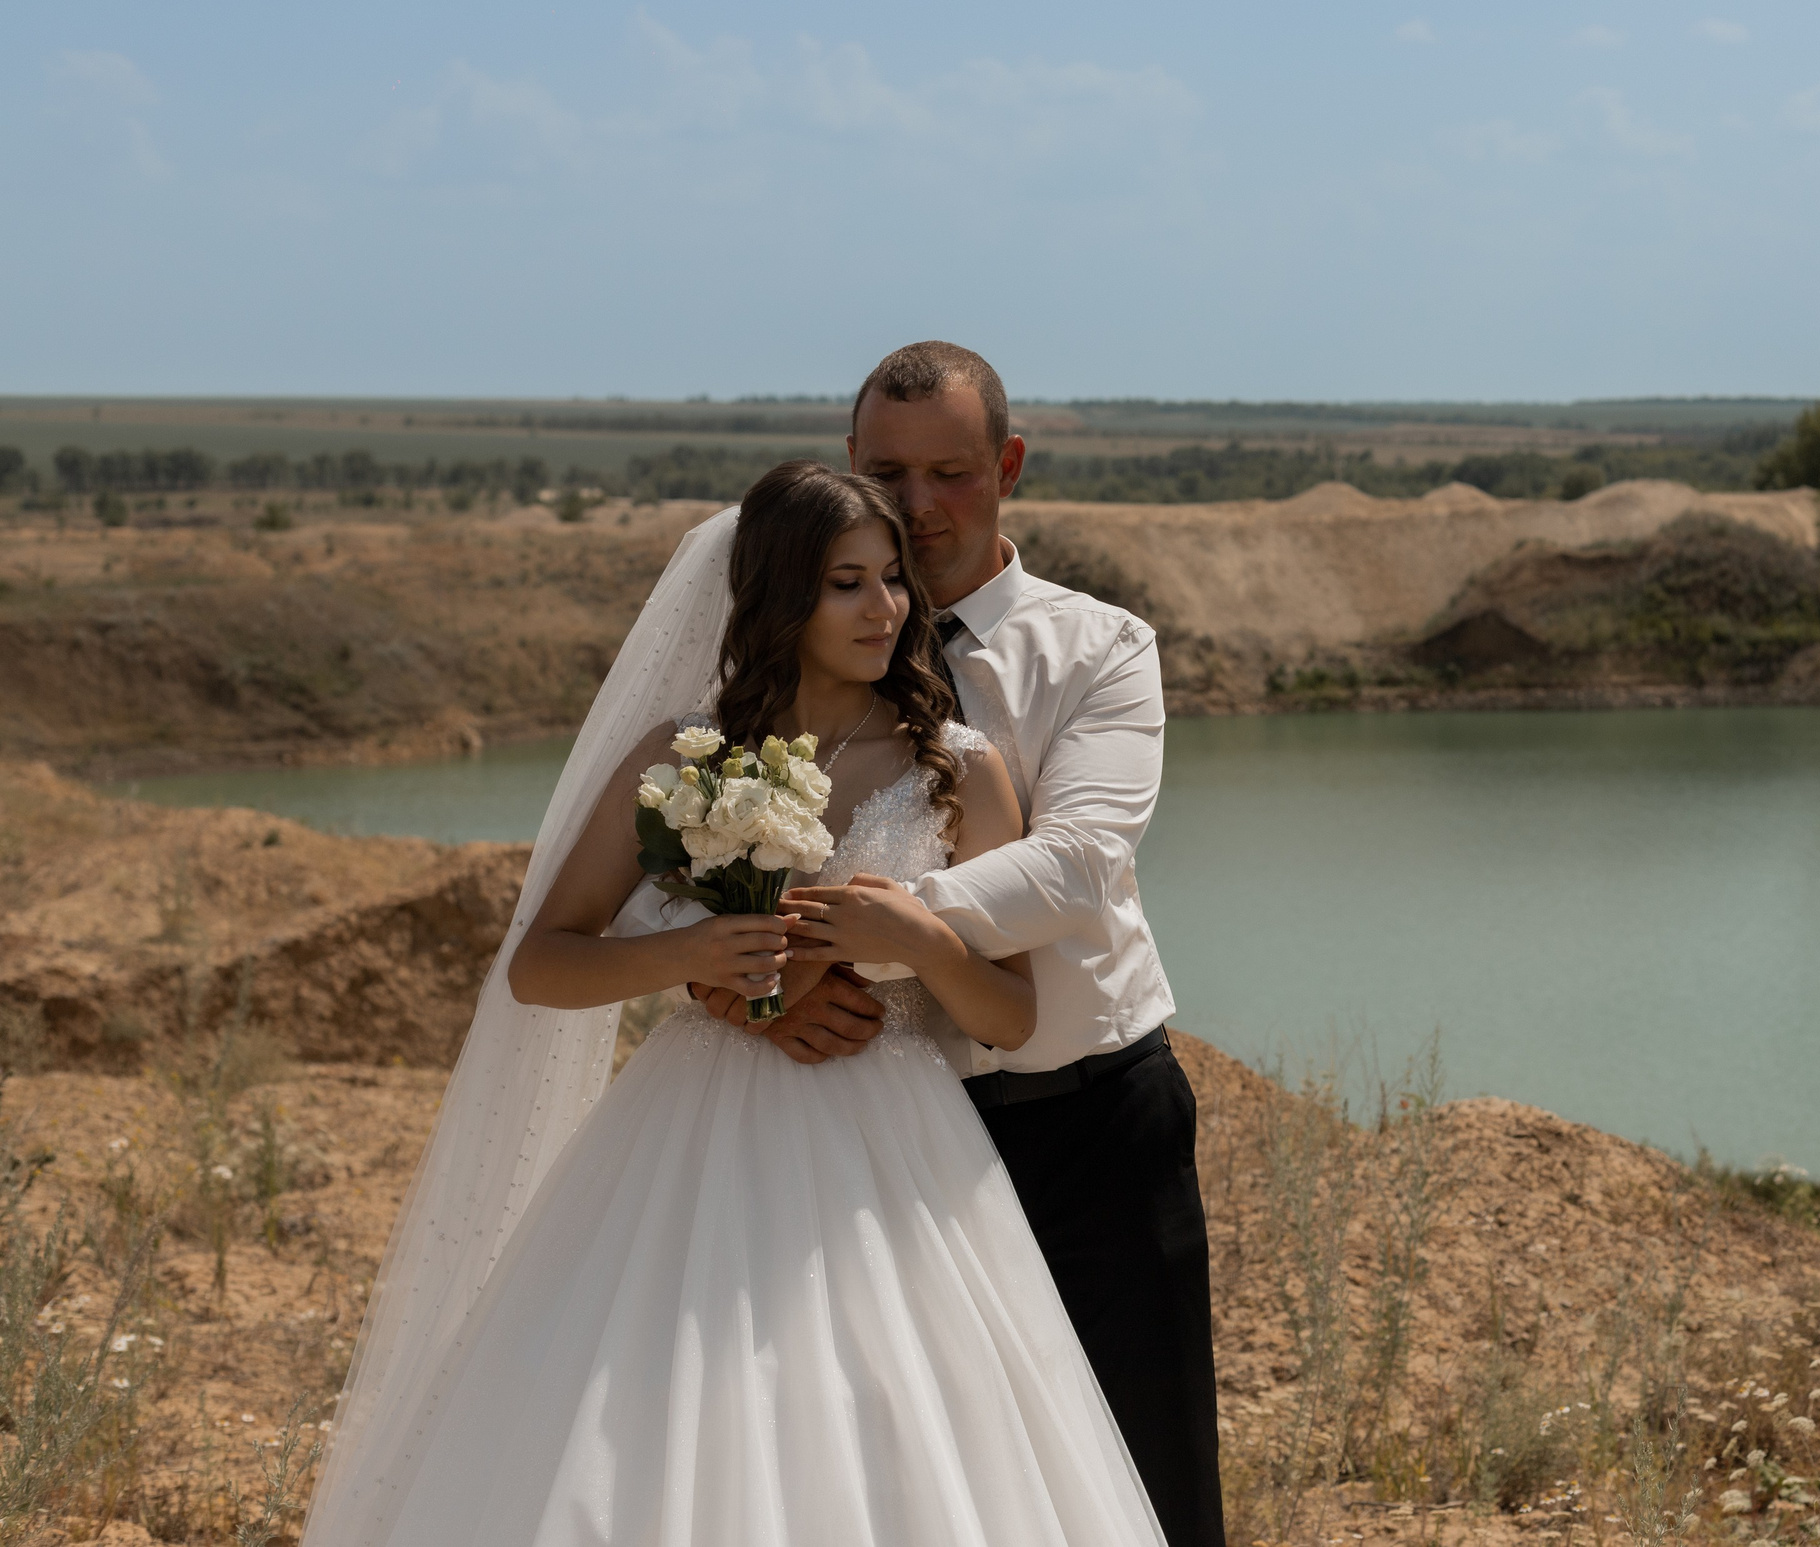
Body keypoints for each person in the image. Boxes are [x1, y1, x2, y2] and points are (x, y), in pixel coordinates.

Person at [300, 463, 1167, 1546]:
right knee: (664, 1414)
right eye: (845, 583)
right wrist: (695, 961)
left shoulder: (959, 765)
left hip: (899, 1148)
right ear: (775, 599)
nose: (884, 608)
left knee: (889, 1421)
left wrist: (922, 939)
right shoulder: (686, 760)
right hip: (693, 1131)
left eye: (892, 579)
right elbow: (543, 964)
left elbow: (1007, 1017)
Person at [694, 341, 1224, 1547]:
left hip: (1086, 1127)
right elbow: (680, 877)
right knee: (906, 1495)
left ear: (1009, 466)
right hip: (869, 1154)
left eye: (952, 472)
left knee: (1145, 1489)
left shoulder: (1099, 648)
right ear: (849, 468)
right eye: (890, 473)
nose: (921, 506)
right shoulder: (777, 660)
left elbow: (1080, 863)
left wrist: (849, 945)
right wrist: (738, 988)